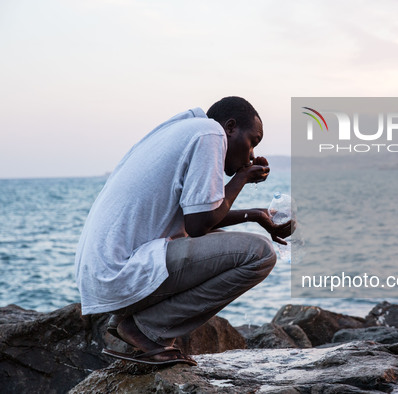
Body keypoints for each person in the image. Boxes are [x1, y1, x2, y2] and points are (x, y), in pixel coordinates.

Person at [74, 96, 293, 366]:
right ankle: (146, 328)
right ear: (231, 127)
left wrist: (256, 215)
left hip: (103, 276)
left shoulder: (183, 129)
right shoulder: (210, 132)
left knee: (227, 243)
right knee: (260, 255)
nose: (251, 154)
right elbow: (199, 225)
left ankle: (126, 320)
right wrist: (241, 178)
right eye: (253, 142)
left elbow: (197, 217)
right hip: (119, 274)